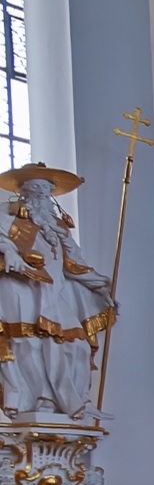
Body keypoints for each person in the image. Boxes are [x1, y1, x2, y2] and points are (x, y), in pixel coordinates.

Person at [0, 166, 116, 418]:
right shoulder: (6, 216)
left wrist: (102, 286)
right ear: (22, 191)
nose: (41, 195)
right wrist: (8, 250)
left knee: (78, 345)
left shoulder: (57, 227)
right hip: (23, 288)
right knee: (27, 344)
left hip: (54, 293)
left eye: (46, 190)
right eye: (35, 189)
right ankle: (36, 399)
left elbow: (75, 265)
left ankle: (77, 401)